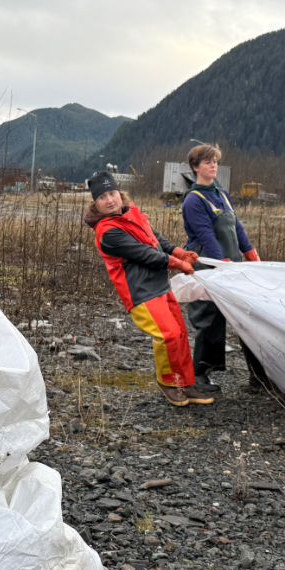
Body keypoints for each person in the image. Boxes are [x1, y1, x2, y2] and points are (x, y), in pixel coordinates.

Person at [85, 171, 214, 406]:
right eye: (102, 197)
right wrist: (178, 264)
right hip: (141, 293)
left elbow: (155, 239)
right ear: (96, 203)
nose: (109, 200)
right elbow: (147, 255)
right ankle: (168, 382)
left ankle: (186, 383)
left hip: (160, 286)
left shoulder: (131, 214)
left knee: (180, 333)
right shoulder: (107, 232)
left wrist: (178, 252)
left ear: (120, 194)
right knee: (168, 335)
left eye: (112, 193)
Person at [179, 144, 272, 392]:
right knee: (209, 319)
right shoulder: (193, 200)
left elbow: (236, 226)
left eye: (215, 161)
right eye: (207, 162)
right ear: (195, 167)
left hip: (231, 266)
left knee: (247, 317)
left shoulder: (221, 194)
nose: (213, 165)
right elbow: (206, 236)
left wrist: (250, 253)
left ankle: (259, 377)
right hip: (208, 266)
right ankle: (200, 375)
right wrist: (222, 264)